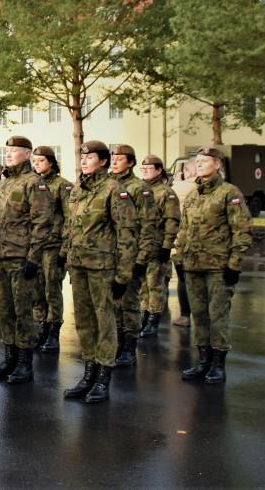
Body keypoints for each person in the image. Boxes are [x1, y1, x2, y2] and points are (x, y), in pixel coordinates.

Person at [60, 141, 136, 403]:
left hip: (103, 268)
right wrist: (66, 256)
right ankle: (89, 372)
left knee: (105, 322)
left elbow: (127, 233)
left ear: (103, 161)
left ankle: (103, 377)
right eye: (82, 157)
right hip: (79, 265)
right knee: (84, 321)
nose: (84, 161)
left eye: (90, 157)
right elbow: (71, 227)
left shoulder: (114, 190)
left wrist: (123, 275)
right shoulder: (79, 189)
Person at [176, 146, 252, 384]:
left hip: (218, 267)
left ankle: (218, 364)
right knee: (199, 316)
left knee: (217, 315)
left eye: (204, 161)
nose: (199, 164)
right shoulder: (193, 194)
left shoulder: (229, 193)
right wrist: (179, 256)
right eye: (197, 161)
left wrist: (234, 264)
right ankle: (203, 361)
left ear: (217, 165)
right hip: (193, 265)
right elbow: (184, 229)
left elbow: (242, 231)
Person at [0, 136, 52, 385]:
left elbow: (42, 223)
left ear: (27, 154)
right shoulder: (3, 184)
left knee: (23, 311)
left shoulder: (34, 183)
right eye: (7, 151)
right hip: (1, 257)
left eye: (14, 151)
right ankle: (9, 357)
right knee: (4, 310)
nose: (9, 154)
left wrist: (33, 258)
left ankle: (25, 362)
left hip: (22, 258)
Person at [109, 145, 158, 367]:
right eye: (113, 158)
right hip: (108, 257)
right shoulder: (107, 186)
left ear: (130, 163)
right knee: (112, 305)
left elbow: (149, 226)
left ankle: (129, 347)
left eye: (120, 159)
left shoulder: (139, 189)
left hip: (130, 256)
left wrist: (142, 258)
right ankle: (116, 344)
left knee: (129, 303)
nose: (115, 162)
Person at [31, 146, 72, 352]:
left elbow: (69, 218)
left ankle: (54, 330)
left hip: (53, 246)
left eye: (40, 161)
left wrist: (64, 249)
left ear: (51, 162)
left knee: (51, 289)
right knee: (37, 290)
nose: (36, 164)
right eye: (34, 161)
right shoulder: (33, 184)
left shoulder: (62, 186)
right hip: (36, 246)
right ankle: (41, 327)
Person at [138, 155, 180, 337]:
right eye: (143, 168)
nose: (145, 170)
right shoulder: (140, 190)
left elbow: (172, 220)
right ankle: (144, 316)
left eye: (149, 168)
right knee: (143, 286)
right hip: (141, 246)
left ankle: (153, 320)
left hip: (157, 246)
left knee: (155, 285)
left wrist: (167, 246)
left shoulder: (165, 193)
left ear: (159, 170)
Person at [170, 161, 197, 327]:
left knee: (183, 279)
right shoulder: (201, 188)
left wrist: (177, 181)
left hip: (180, 240)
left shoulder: (178, 187)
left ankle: (185, 315)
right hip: (202, 243)